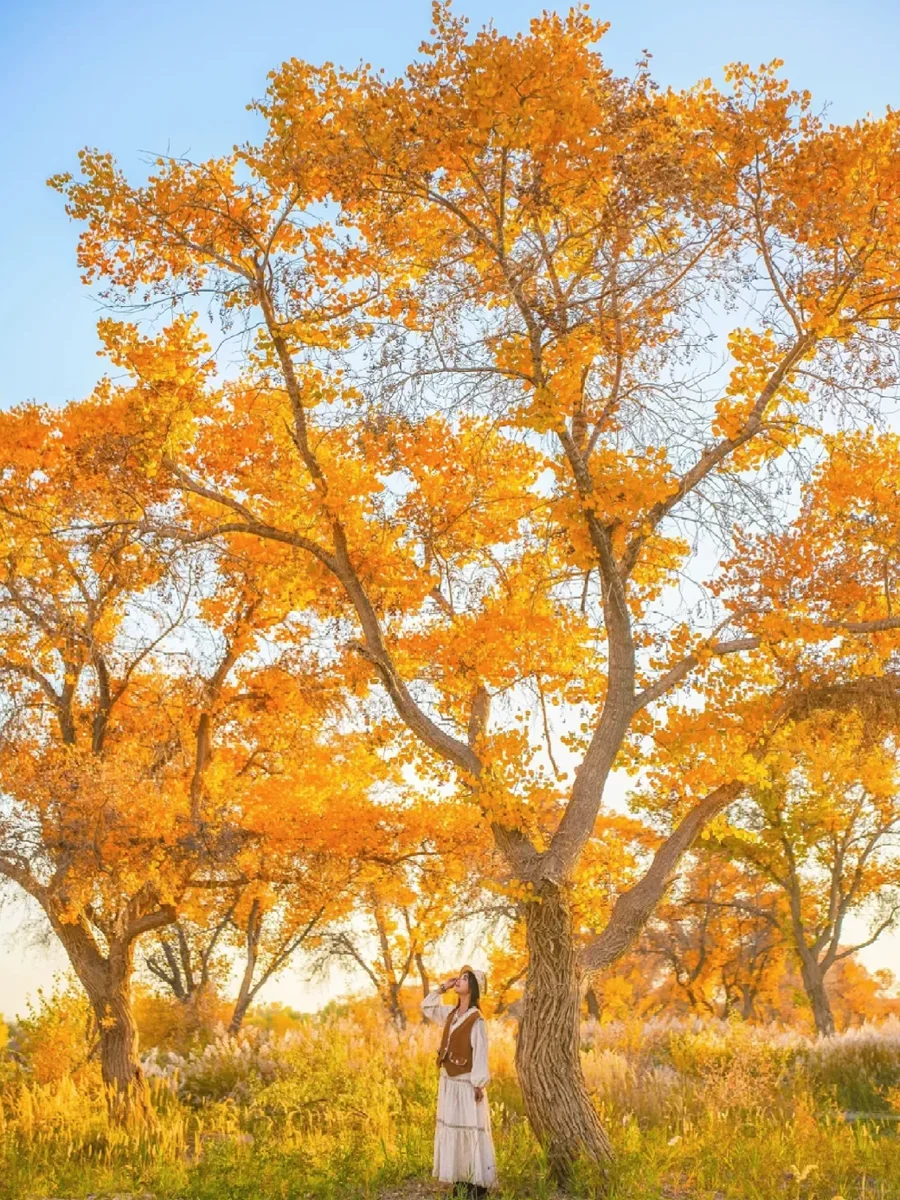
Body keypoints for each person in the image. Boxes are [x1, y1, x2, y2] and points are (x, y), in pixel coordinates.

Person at [421, 965, 497, 1199]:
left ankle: (477, 1184)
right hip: (449, 1081)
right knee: (454, 1128)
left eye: (465, 979)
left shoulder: (477, 1020)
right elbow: (426, 1006)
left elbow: (481, 1053)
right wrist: (444, 986)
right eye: (460, 978)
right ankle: (461, 1181)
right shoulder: (451, 1014)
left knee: (469, 1130)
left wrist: (478, 1084)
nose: (460, 981)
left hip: (466, 1083)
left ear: (473, 989)